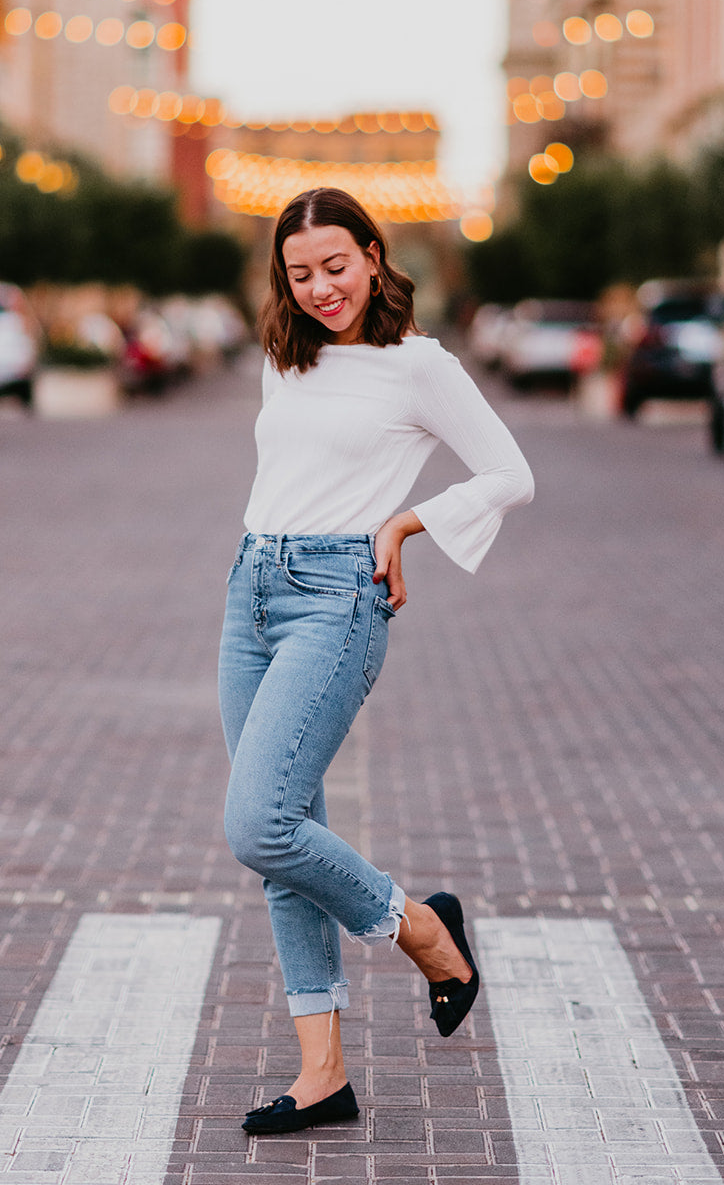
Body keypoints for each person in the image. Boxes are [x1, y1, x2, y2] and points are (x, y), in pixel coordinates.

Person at [218, 187, 534, 1137]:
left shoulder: (417, 366)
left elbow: (510, 473)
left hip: (336, 599)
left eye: (336, 266)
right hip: (251, 588)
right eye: (299, 272)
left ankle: (425, 933)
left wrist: (408, 520)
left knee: (258, 823)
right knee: (284, 847)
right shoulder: (287, 356)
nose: (320, 288)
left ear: (371, 252)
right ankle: (323, 1076)